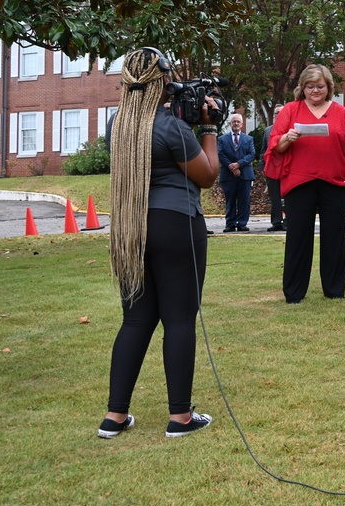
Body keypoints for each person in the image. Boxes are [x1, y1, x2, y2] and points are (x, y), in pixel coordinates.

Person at [98, 47, 218, 439]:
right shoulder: (170, 128)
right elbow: (207, 176)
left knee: (135, 320)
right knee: (179, 319)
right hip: (175, 225)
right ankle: (180, 418)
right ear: (163, 83)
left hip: (131, 227)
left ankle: (115, 417)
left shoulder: (116, 124)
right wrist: (210, 129)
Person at [269, 65, 345, 303]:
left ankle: (334, 290)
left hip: (334, 182)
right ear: (302, 88)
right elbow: (275, 144)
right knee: (298, 237)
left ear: (329, 88)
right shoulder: (290, 111)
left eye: (320, 86)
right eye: (310, 86)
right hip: (299, 182)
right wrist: (287, 138)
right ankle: (294, 293)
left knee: (334, 236)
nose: (315, 91)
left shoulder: (341, 112)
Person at [217, 113, 255, 232]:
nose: (236, 124)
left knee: (244, 200)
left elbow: (251, 154)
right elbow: (220, 154)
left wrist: (238, 164)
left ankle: (242, 223)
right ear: (230, 124)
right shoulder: (222, 139)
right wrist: (231, 166)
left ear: (242, 124)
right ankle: (230, 224)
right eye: (234, 122)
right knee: (230, 199)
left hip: (245, 174)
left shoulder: (249, 139)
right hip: (228, 174)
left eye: (238, 122)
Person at [262, 103, 286, 231]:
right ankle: (276, 222)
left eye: (281, 112)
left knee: (288, 197)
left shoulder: (290, 129)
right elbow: (263, 151)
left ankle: (288, 222)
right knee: (275, 197)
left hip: (287, 168)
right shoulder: (267, 130)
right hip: (272, 169)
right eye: (276, 113)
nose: (278, 115)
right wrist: (263, 168)